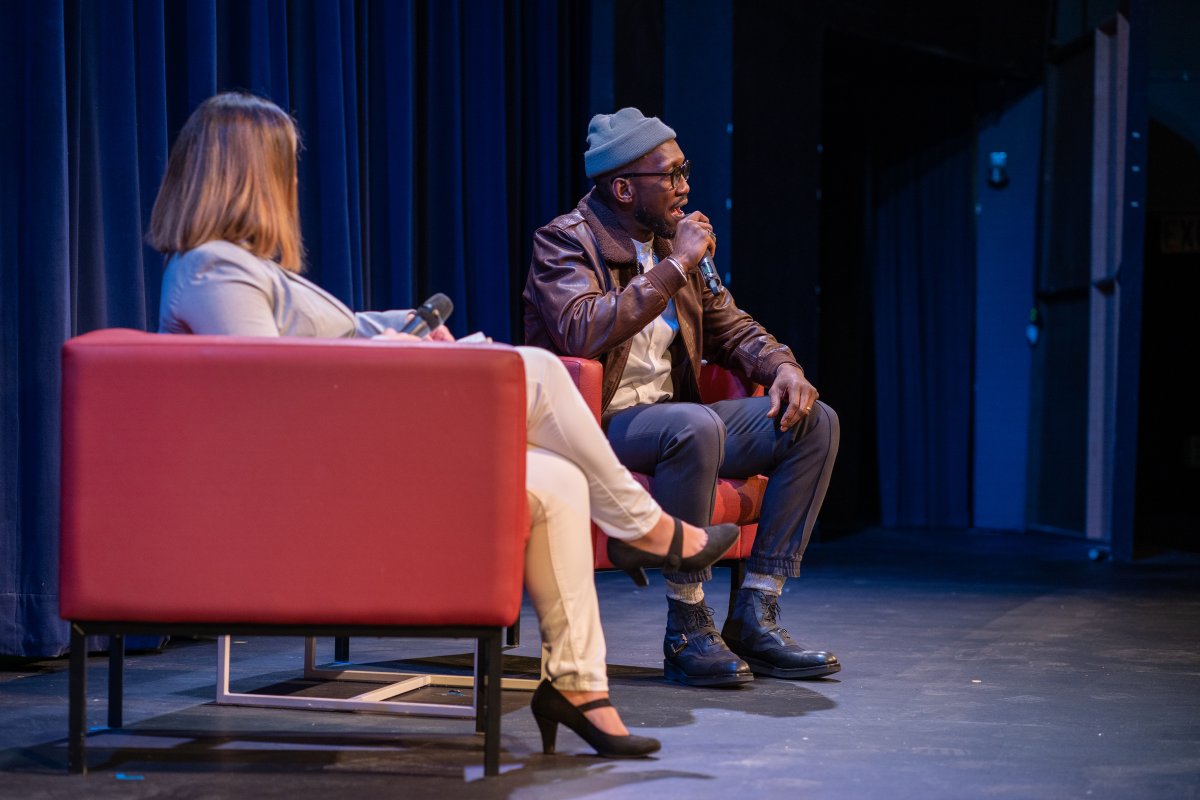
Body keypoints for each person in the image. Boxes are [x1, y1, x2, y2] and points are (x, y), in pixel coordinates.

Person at [147, 92, 741, 759]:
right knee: (536, 372)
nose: (291, 185)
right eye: (284, 168)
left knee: (555, 482)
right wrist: (394, 352)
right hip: (305, 480)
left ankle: (578, 687)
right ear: (250, 176)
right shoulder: (212, 268)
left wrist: (391, 326)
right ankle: (649, 529)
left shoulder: (243, 270)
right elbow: (272, 390)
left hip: (341, 447)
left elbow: (306, 345)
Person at [523, 107, 841, 687]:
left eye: (684, 171)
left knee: (813, 421)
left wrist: (783, 366)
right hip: (596, 425)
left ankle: (756, 615)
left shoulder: (677, 248)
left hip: (677, 419)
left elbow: (732, 328)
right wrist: (674, 266)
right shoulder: (565, 242)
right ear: (623, 188)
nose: (685, 186)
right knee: (693, 425)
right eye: (670, 174)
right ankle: (689, 627)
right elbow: (580, 329)